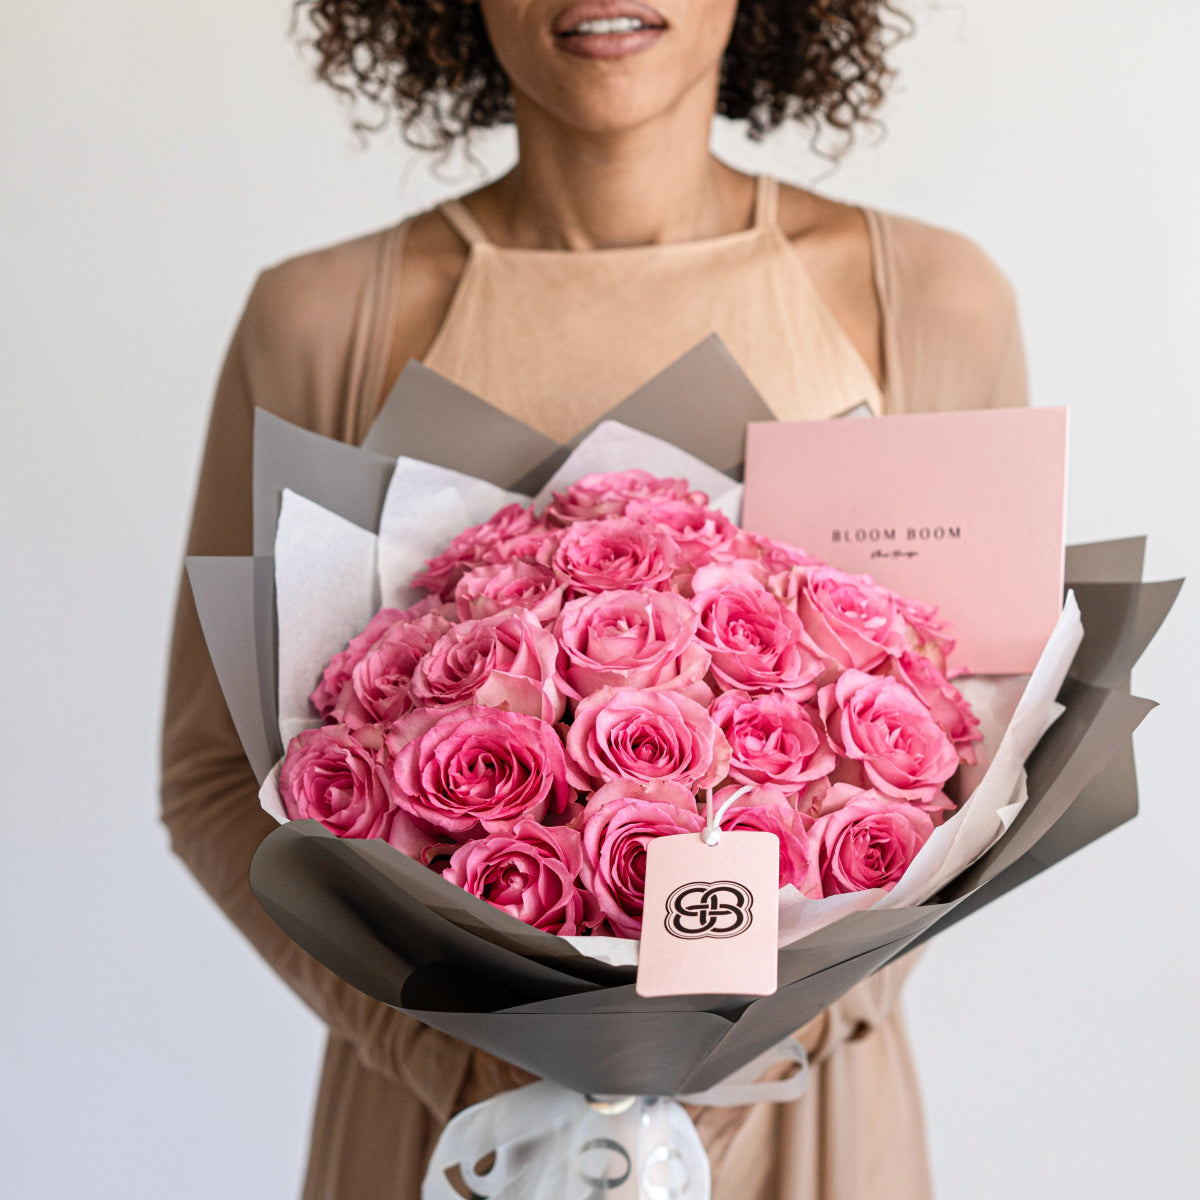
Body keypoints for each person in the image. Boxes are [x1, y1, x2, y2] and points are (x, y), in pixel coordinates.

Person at [161, 2, 1028, 1196]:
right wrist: (471, 1075)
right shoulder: (318, 323)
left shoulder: (927, 300)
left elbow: (985, 772)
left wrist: (738, 1064)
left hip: (795, 1129)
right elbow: (211, 777)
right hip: (456, 1136)